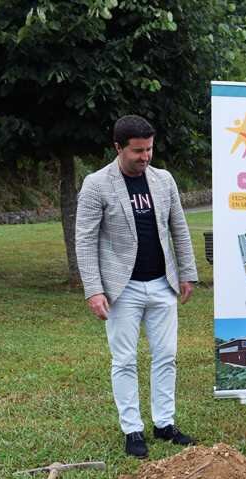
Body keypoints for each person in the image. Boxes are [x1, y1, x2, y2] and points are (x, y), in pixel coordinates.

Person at [76, 115, 198, 459]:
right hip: (121, 289)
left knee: (167, 357)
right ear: (118, 148)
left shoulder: (164, 180)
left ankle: (164, 424)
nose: (145, 157)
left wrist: (186, 272)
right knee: (125, 360)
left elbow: (179, 228)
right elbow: (84, 240)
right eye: (138, 151)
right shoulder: (96, 184)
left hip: (163, 283)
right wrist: (93, 289)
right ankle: (133, 430)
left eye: (149, 149)